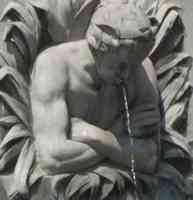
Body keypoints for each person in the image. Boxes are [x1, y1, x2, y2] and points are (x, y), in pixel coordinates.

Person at [30, 4, 160, 196]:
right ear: (97, 47)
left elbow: (150, 157)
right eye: (121, 65)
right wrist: (123, 136)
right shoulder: (54, 66)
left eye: (134, 66)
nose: (127, 75)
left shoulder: (142, 71)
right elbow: (52, 158)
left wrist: (94, 134)